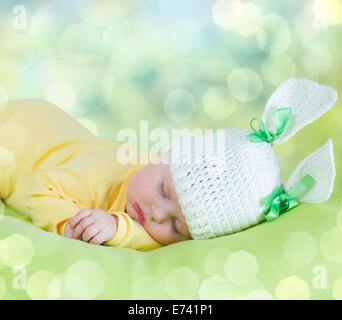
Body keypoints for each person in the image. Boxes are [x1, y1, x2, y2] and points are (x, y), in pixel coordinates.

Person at [0, 78, 337, 251]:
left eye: (176, 226)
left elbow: (146, 237)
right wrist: (72, 225)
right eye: (163, 189)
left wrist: (122, 231)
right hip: (19, 136)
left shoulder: (153, 214)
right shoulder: (104, 171)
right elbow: (42, 190)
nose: (157, 214)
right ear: (163, 156)